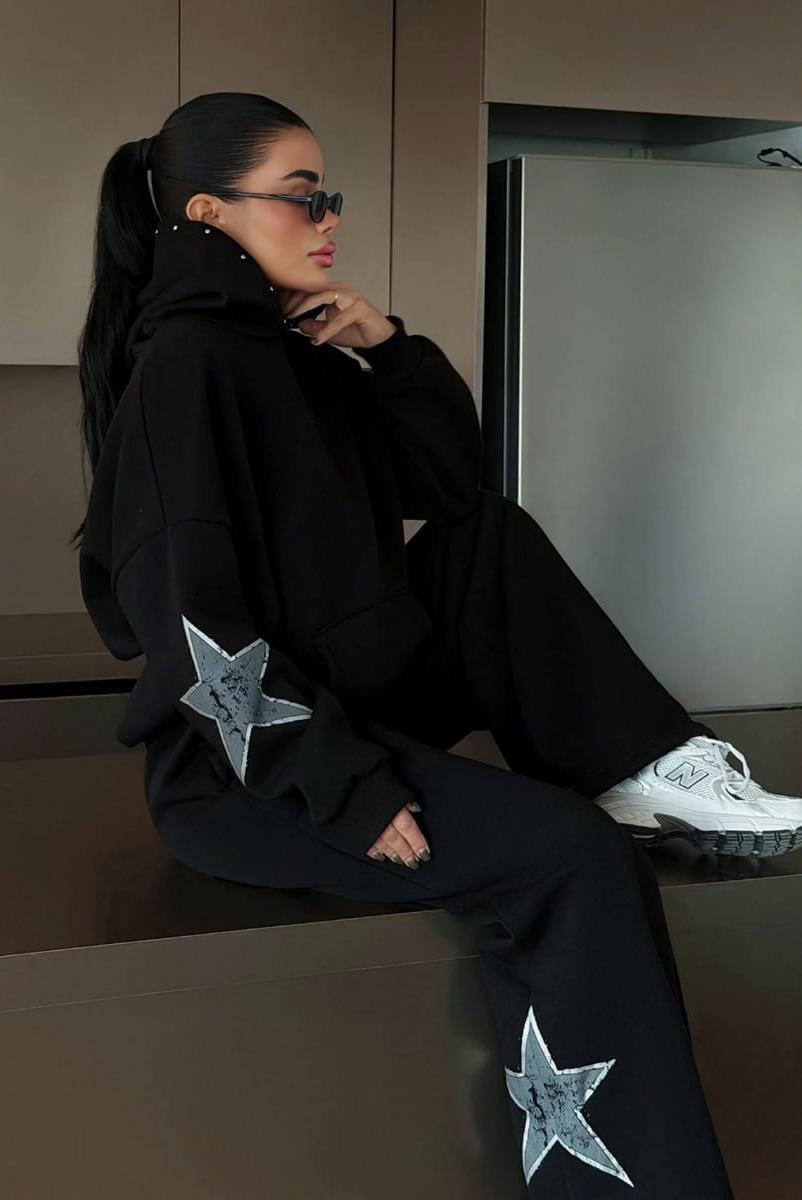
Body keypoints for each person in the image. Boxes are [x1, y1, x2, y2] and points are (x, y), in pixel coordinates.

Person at [72, 91, 797, 1197]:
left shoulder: (294, 354)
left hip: (343, 706)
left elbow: (451, 488)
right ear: (209, 214)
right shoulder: (188, 369)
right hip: (242, 775)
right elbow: (195, 635)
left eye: (330, 196)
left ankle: (643, 763)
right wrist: (344, 788)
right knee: (572, 857)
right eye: (303, 197)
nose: (329, 220)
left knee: (485, 536)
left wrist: (389, 349)